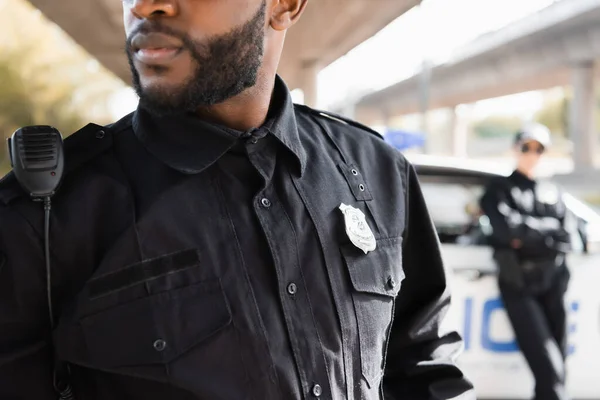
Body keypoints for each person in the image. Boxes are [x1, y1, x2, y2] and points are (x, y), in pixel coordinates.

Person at [0, 1, 474, 399]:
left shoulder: (376, 170)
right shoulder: (47, 216)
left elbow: (422, 362)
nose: (144, 5)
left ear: (286, 5)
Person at [480, 123, 572, 400]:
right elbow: (506, 230)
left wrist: (526, 233)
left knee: (559, 370)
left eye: (539, 148)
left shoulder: (554, 192)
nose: (532, 153)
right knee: (550, 371)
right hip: (519, 283)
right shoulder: (499, 189)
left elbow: (568, 234)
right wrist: (548, 232)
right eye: (526, 147)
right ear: (515, 148)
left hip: (553, 282)